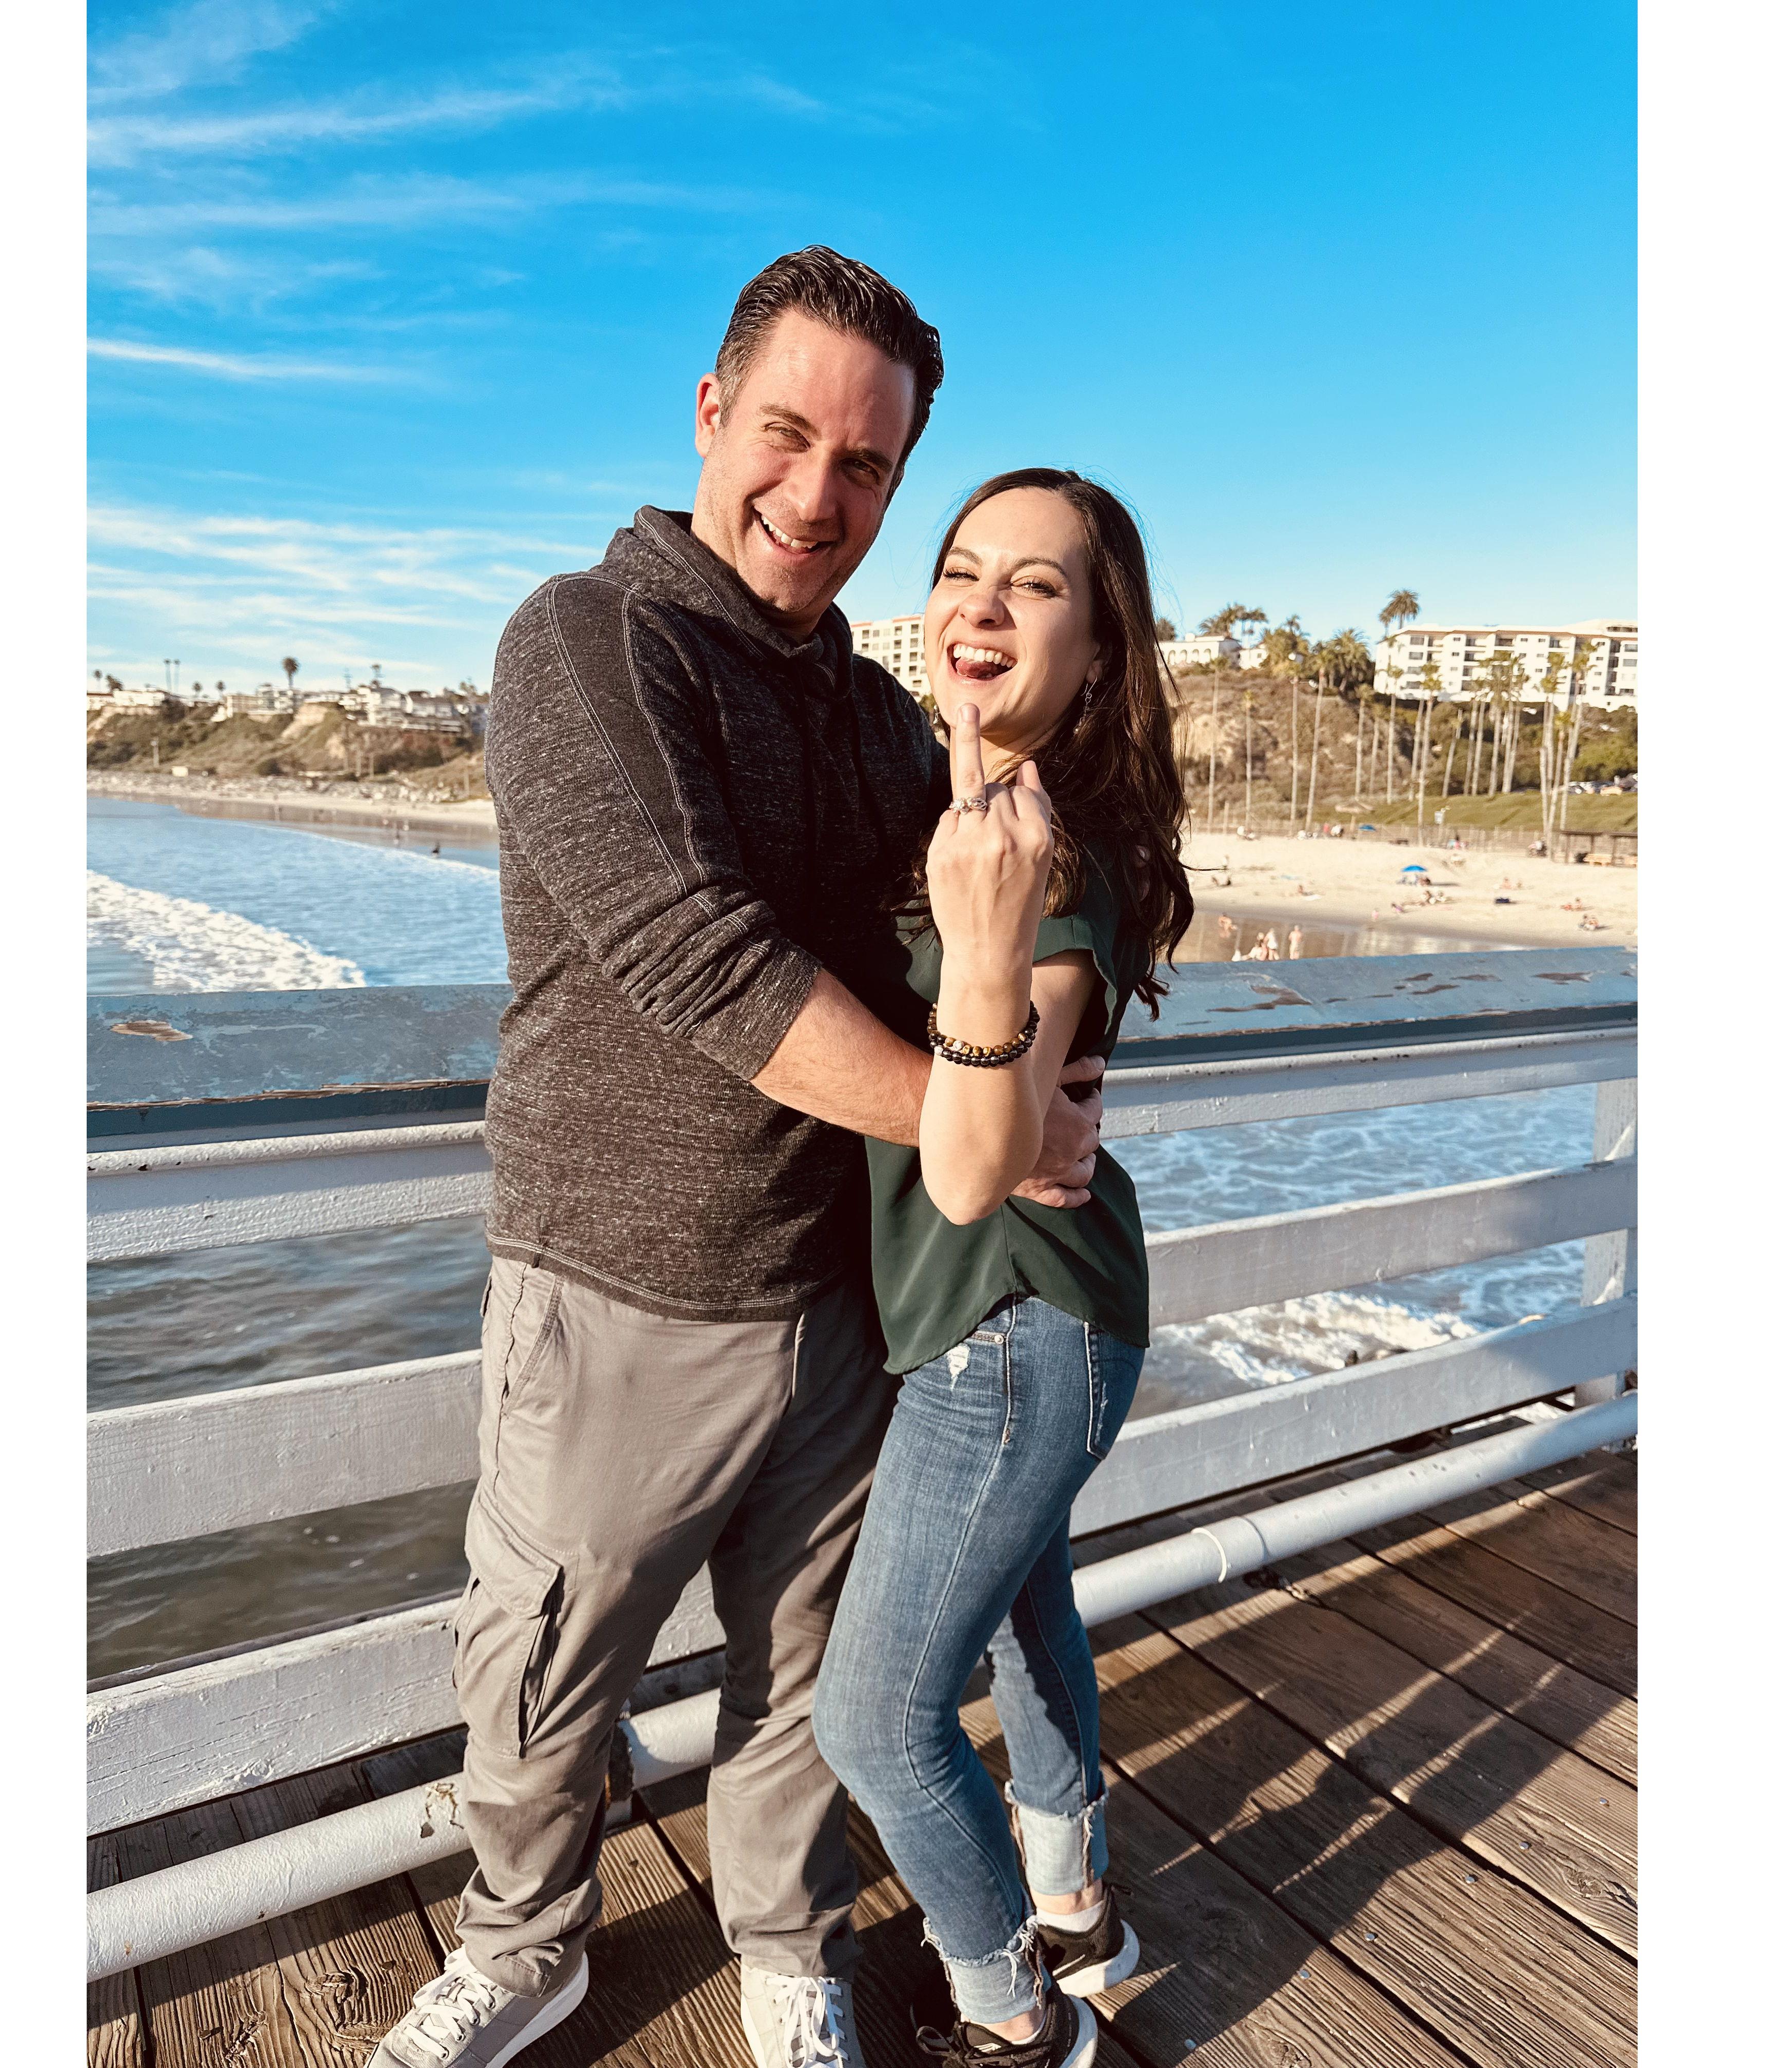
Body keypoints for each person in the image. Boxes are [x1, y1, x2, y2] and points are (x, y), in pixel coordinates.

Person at [369, 253, 1106, 2068]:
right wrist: (979, 1121)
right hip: (616, 1283)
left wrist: (1034, 1054)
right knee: (544, 1662)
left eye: (868, 469)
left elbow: (956, 946)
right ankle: (523, 1941)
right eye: (787, 436)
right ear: (712, 415)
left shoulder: (868, 711)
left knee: (803, 1681)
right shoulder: (583, 641)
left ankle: (788, 1951)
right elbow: (699, 954)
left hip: (842, 1294)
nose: (817, 497)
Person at [814, 472, 1194, 2068]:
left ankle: (1012, 2015)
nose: (975, 603)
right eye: (961, 570)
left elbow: (987, 1157)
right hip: (1059, 1314)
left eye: (1033, 587)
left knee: (876, 1723)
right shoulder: (973, 820)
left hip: (1015, 1324)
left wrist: (1011, 1036)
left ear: (1101, 650)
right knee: (1032, 1616)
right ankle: (1076, 1911)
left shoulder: (1043, 856)